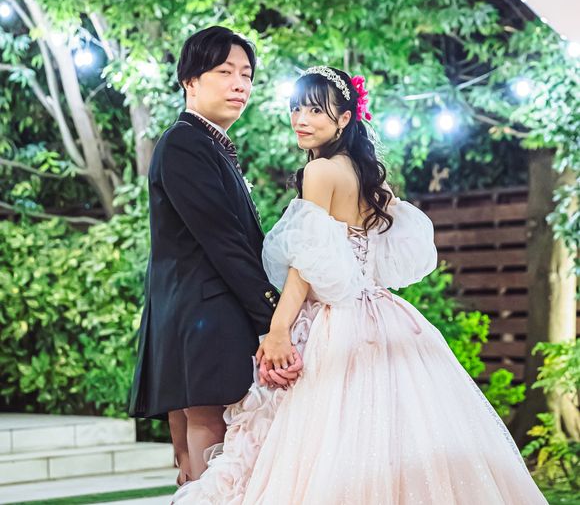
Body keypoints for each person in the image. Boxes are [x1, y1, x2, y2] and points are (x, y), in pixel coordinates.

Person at [172, 66, 548, 504]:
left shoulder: (320, 173)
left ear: (345, 118)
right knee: (392, 438)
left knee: (327, 441)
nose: (301, 119)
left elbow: (306, 265)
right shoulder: (368, 176)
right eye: (296, 109)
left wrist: (278, 330)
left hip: (337, 322)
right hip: (385, 314)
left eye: (316, 110)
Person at [128, 26, 299, 485]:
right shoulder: (186, 143)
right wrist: (274, 317)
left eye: (246, 75)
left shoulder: (205, 143)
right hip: (203, 317)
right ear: (190, 80)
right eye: (225, 72)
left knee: (197, 460)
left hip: (196, 315)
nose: (239, 84)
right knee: (210, 445)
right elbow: (224, 242)